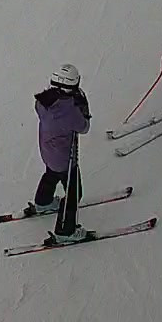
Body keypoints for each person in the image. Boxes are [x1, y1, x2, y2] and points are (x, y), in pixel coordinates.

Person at [31, 64, 92, 244]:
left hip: (48, 152)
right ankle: (65, 230)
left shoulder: (43, 102)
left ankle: (43, 202)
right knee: (74, 193)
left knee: (51, 174)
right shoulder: (69, 111)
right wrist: (83, 107)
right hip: (66, 159)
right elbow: (84, 127)